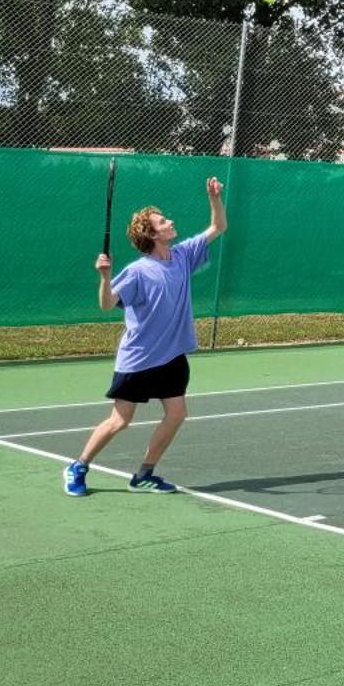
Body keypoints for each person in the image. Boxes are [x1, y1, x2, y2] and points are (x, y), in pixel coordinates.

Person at [64, 176, 227, 497]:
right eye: (163, 221)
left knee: (177, 414)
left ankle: (144, 474)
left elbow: (218, 227)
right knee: (119, 421)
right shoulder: (138, 271)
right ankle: (78, 466)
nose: (170, 222)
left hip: (172, 355)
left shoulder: (182, 255)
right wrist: (105, 276)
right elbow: (107, 304)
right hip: (139, 358)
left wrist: (214, 197)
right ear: (152, 235)